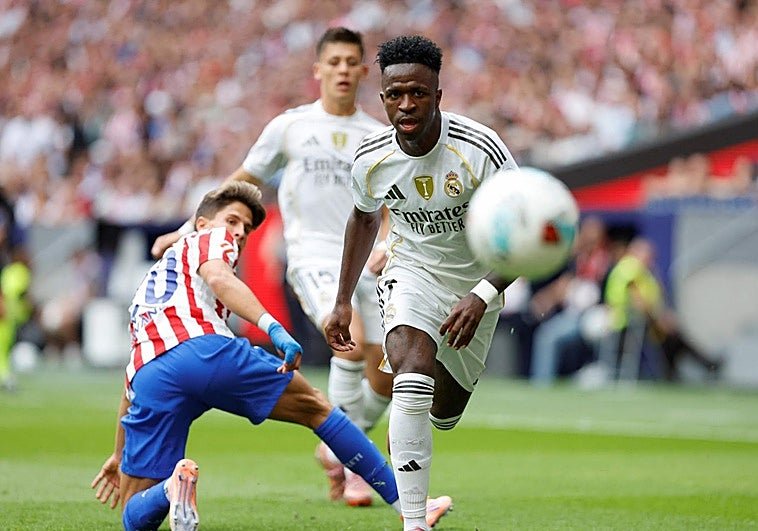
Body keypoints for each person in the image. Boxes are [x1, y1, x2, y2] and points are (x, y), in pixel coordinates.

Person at [90, 181, 450, 531]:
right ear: (201, 224)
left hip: (150, 376)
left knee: (133, 509)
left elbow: (131, 378)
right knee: (317, 408)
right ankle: (411, 506)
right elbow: (219, 278)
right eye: (232, 220)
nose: (239, 232)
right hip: (204, 352)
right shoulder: (207, 239)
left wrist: (119, 454)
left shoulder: (151, 287)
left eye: (246, 227)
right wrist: (273, 328)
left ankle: (171, 489)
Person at [150, 27, 393, 507]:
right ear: (318, 70)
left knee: (387, 368)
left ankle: (337, 447)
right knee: (347, 336)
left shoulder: (377, 136)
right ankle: (351, 461)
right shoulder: (292, 126)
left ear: (364, 71)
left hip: (367, 261)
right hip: (313, 255)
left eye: (352, 62)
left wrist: (387, 244)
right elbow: (242, 180)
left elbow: (389, 203)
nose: (343, 70)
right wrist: (189, 228)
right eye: (335, 62)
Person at [324, 35, 518, 531]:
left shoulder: (479, 148)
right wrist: (342, 300)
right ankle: (413, 520)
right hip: (410, 271)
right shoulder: (371, 158)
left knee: (444, 413)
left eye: (418, 93)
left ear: (438, 95)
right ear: (382, 97)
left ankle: (407, 427)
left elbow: (523, 233)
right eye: (395, 94)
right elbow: (364, 218)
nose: (406, 104)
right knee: (411, 372)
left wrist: (483, 293)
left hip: (478, 285)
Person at [604, 237, 721, 380]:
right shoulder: (631, 268)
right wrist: (658, 319)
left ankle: (688, 369)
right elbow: (638, 300)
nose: (651, 259)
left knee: (673, 336)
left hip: (636, 320)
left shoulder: (640, 270)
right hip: (630, 322)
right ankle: (702, 365)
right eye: (648, 255)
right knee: (671, 336)